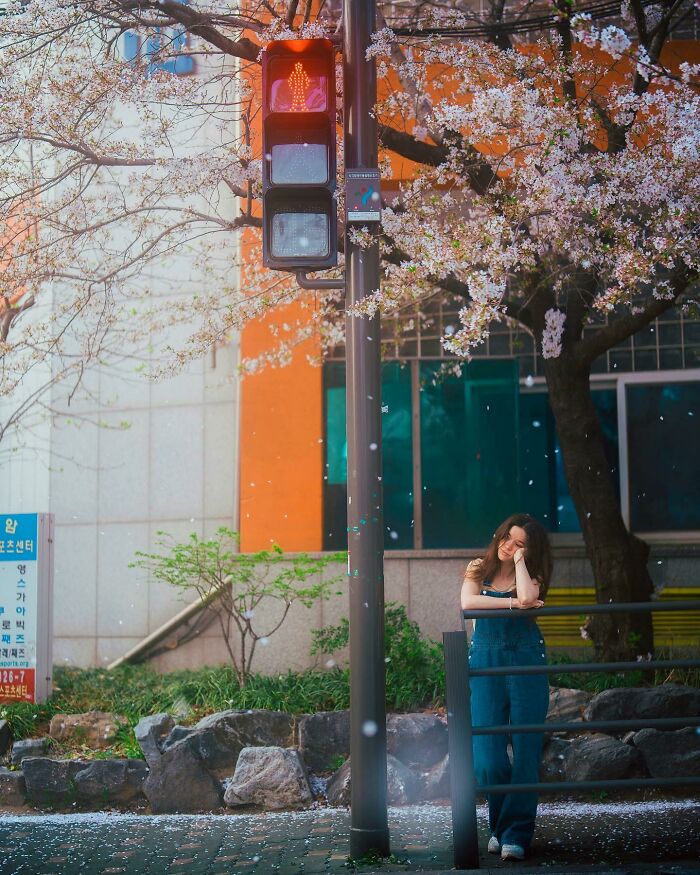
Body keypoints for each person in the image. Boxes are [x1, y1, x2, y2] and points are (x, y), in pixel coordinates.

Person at [460, 513, 553, 862]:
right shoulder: (477, 568)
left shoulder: (531, 574)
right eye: (506, 538)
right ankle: (499, 825)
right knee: (487, 757)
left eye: (519, 543)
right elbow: (468, 603)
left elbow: (530, 593)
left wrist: (519, 563)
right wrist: (514, 604)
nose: (508, 546)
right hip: (485, 660)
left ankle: (515, 833)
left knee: (527, 749)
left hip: (527, 658)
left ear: (529, 551)